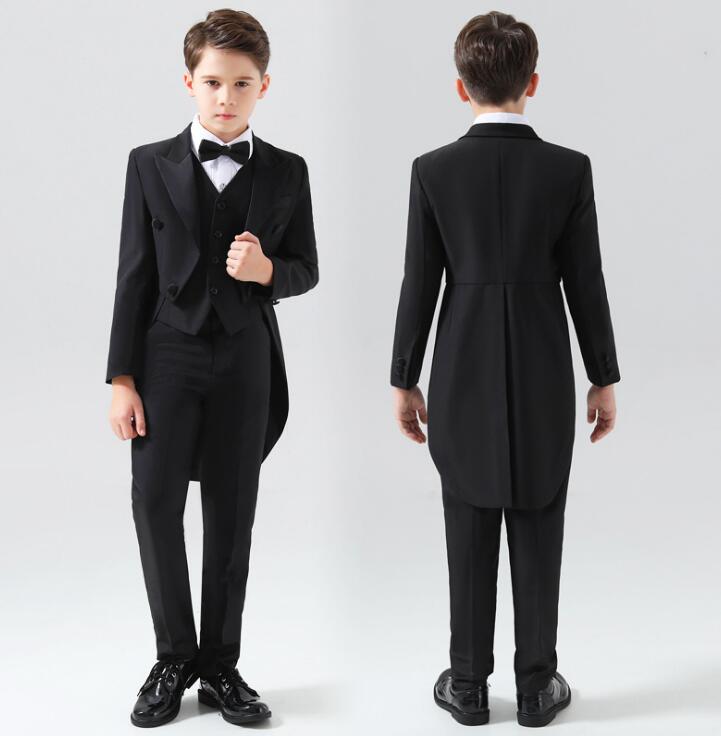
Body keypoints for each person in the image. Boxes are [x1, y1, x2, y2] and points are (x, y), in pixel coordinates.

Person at [390, 11, 619, 728]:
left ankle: (465, 683)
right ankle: (535, 685)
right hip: (543, 362)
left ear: (461, 88)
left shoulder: (432, 170)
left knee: (467, 515)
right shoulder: (568, 169)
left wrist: (403, 377)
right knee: (539, 513)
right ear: (533, 83)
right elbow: (586, 281)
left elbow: (418, 283)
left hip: (459, 363)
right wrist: (603, 375)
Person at [105, 9, 318, 728]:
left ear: (264, 86)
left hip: (244, 355)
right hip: (166, 352)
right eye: (213, 82)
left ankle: (221, 666)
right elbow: (134, 274)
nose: (226, 97)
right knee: (155, 502)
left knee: (232, 508)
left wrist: (267, 272)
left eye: (242, 83)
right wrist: (121, 379)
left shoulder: (288, 170)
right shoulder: (148, 163)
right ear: (189, 83)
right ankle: (173, 658)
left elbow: (306, 268)